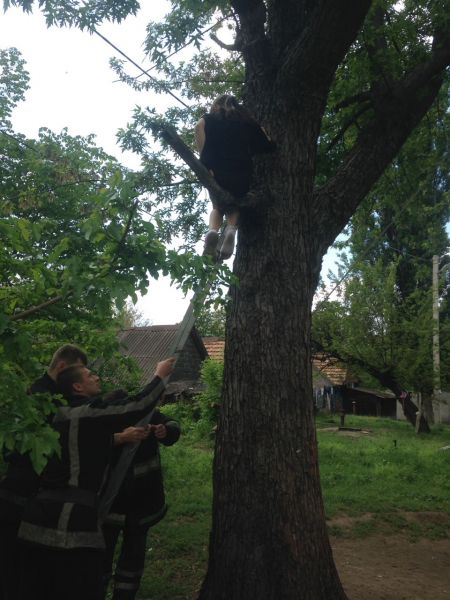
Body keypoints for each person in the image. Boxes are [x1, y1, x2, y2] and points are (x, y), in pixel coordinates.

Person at [17, 357, 175, 600]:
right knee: (81, 588)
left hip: (35, 522)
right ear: (78, 387)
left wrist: (120, 438)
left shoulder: (59, 415)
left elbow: (85, 448)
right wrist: (160, 375)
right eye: (90, 375)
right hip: (70, 524)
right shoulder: (87, 413)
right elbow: (137, 405)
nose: (97, 377)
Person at [0, 344, 88, 600]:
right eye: (76, 371)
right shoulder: (41, 398)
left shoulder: (51, 394)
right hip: (19, 496)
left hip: (28, 497)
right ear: (61, 367)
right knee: (13, 570)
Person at [102, 397, 181, 600]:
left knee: (133, 559)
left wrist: (166, 430)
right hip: (109, 508)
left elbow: (172, 423)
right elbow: (88, 443)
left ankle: (125, 595)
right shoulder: (104, 417)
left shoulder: (148, 415)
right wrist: (121, 437)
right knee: (100, 557)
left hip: (142, 506)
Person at [195, 94, 275, 259]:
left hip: (217, 171)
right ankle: (231, 229)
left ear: (216, 105)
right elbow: (266, 146)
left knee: (217, 206)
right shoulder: (245, 122)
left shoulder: (208, 119)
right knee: (235, 204)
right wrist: (266, 135)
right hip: (241, 172)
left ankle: (212, 231)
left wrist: (206, 164)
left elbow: (199, 127)